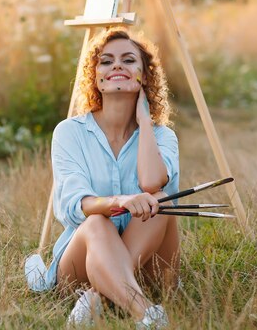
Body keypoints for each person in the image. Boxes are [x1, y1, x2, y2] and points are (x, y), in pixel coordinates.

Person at [47, 27, 180, 327]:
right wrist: (118, 201)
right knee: (96, 221)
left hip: (151, 267)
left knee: (160, 201)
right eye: (106, 61)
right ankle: (147, 314)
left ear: (144, 76)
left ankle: (102, 294)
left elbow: (151, 183)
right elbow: (74, 204)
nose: (117, 65)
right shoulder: (69, 133)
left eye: (128, 60)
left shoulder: (163, 136)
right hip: (80, 265)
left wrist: (145, 121)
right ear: (96, 77)